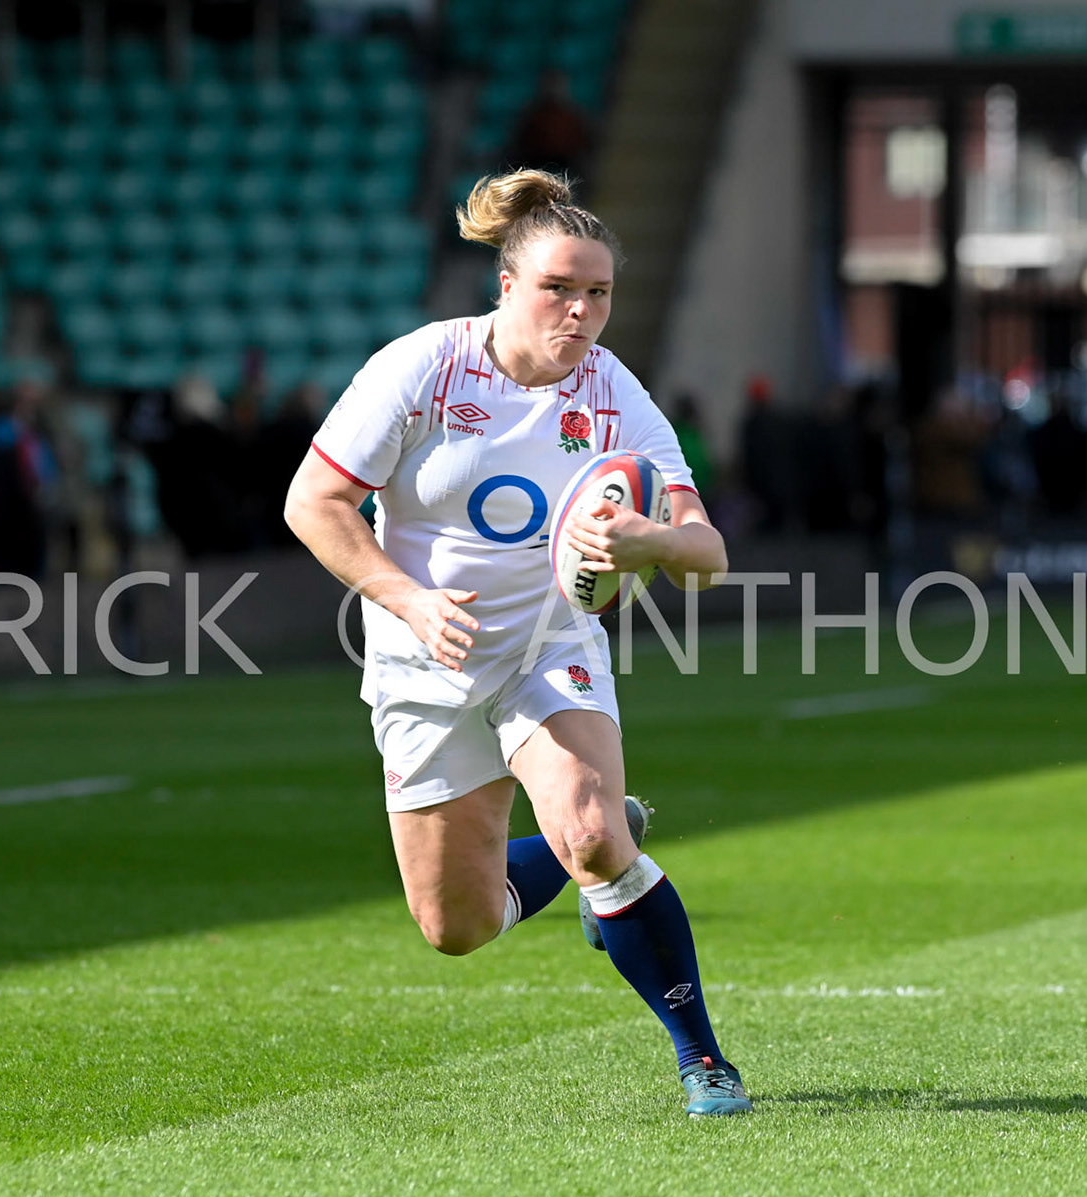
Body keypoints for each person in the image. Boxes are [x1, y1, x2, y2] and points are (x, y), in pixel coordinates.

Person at [283, 170, 750, 1117]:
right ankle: (592, 847)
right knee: (456, 926)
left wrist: (650, 542)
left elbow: (708, 556)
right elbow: (313, 502)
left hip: (548, 644)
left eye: (598, 293)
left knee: (594, 836)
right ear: (506, 286)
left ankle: (703, 1059)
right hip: (423, 660)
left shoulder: (613, 391)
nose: (580, 312)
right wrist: (409, 601)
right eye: (558, 289)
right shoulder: (425, 367)